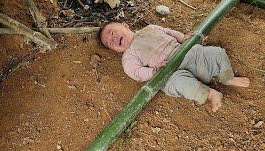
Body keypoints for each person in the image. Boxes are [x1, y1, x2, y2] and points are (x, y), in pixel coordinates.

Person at [100, 22, 250, 112]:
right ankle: (210, 94)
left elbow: (169, 32)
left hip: (187, 53)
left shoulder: (149, 28)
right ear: (115, 51)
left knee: (217, 53)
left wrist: (184, 38)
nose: (112, 38)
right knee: (180, 84)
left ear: (125, 25)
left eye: (112, 32)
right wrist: (153, 71)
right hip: (170, 72)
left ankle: (227, 77)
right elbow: (136, 72)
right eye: (110, 43)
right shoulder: (128, 58)